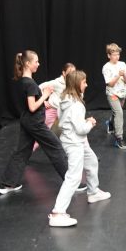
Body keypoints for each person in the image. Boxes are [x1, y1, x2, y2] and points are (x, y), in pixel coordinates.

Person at [0, 50, 69, 195]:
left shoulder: (23, 81)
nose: (38, 64)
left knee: (22, 152)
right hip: (35, 123)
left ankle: (8, 183)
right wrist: (45, 95)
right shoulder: (29, 83)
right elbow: (32, 107)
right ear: (27, 63)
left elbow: (30, 104)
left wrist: (43, 101)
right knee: (55, 147)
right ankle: (71, 182)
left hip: (27, 121)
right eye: (36, 61)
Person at [50, 69, 111, 227]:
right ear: (77, 84)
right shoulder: (77, 105)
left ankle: (93, 192)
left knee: (92, 162)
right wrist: (89, 123)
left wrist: (83, 122)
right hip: (74, 142)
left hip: (74, 140)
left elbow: (65, 120)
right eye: (84, 82)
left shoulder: (65, 99)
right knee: (74, 177)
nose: (86, 84)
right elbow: (81, 129)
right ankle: (57, 213)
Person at [102, 43, 126, 150]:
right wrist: (118, 75)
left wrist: (124, 75)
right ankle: (119, 139)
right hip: (112, 94)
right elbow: (110, 84)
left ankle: (110, 123)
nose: (117, 57)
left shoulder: (123, 64)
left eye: (118, 54)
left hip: (122, 93)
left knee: (117, 112)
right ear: (109, 55)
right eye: (114, 55)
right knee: (119, 113)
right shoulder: (106, 67)